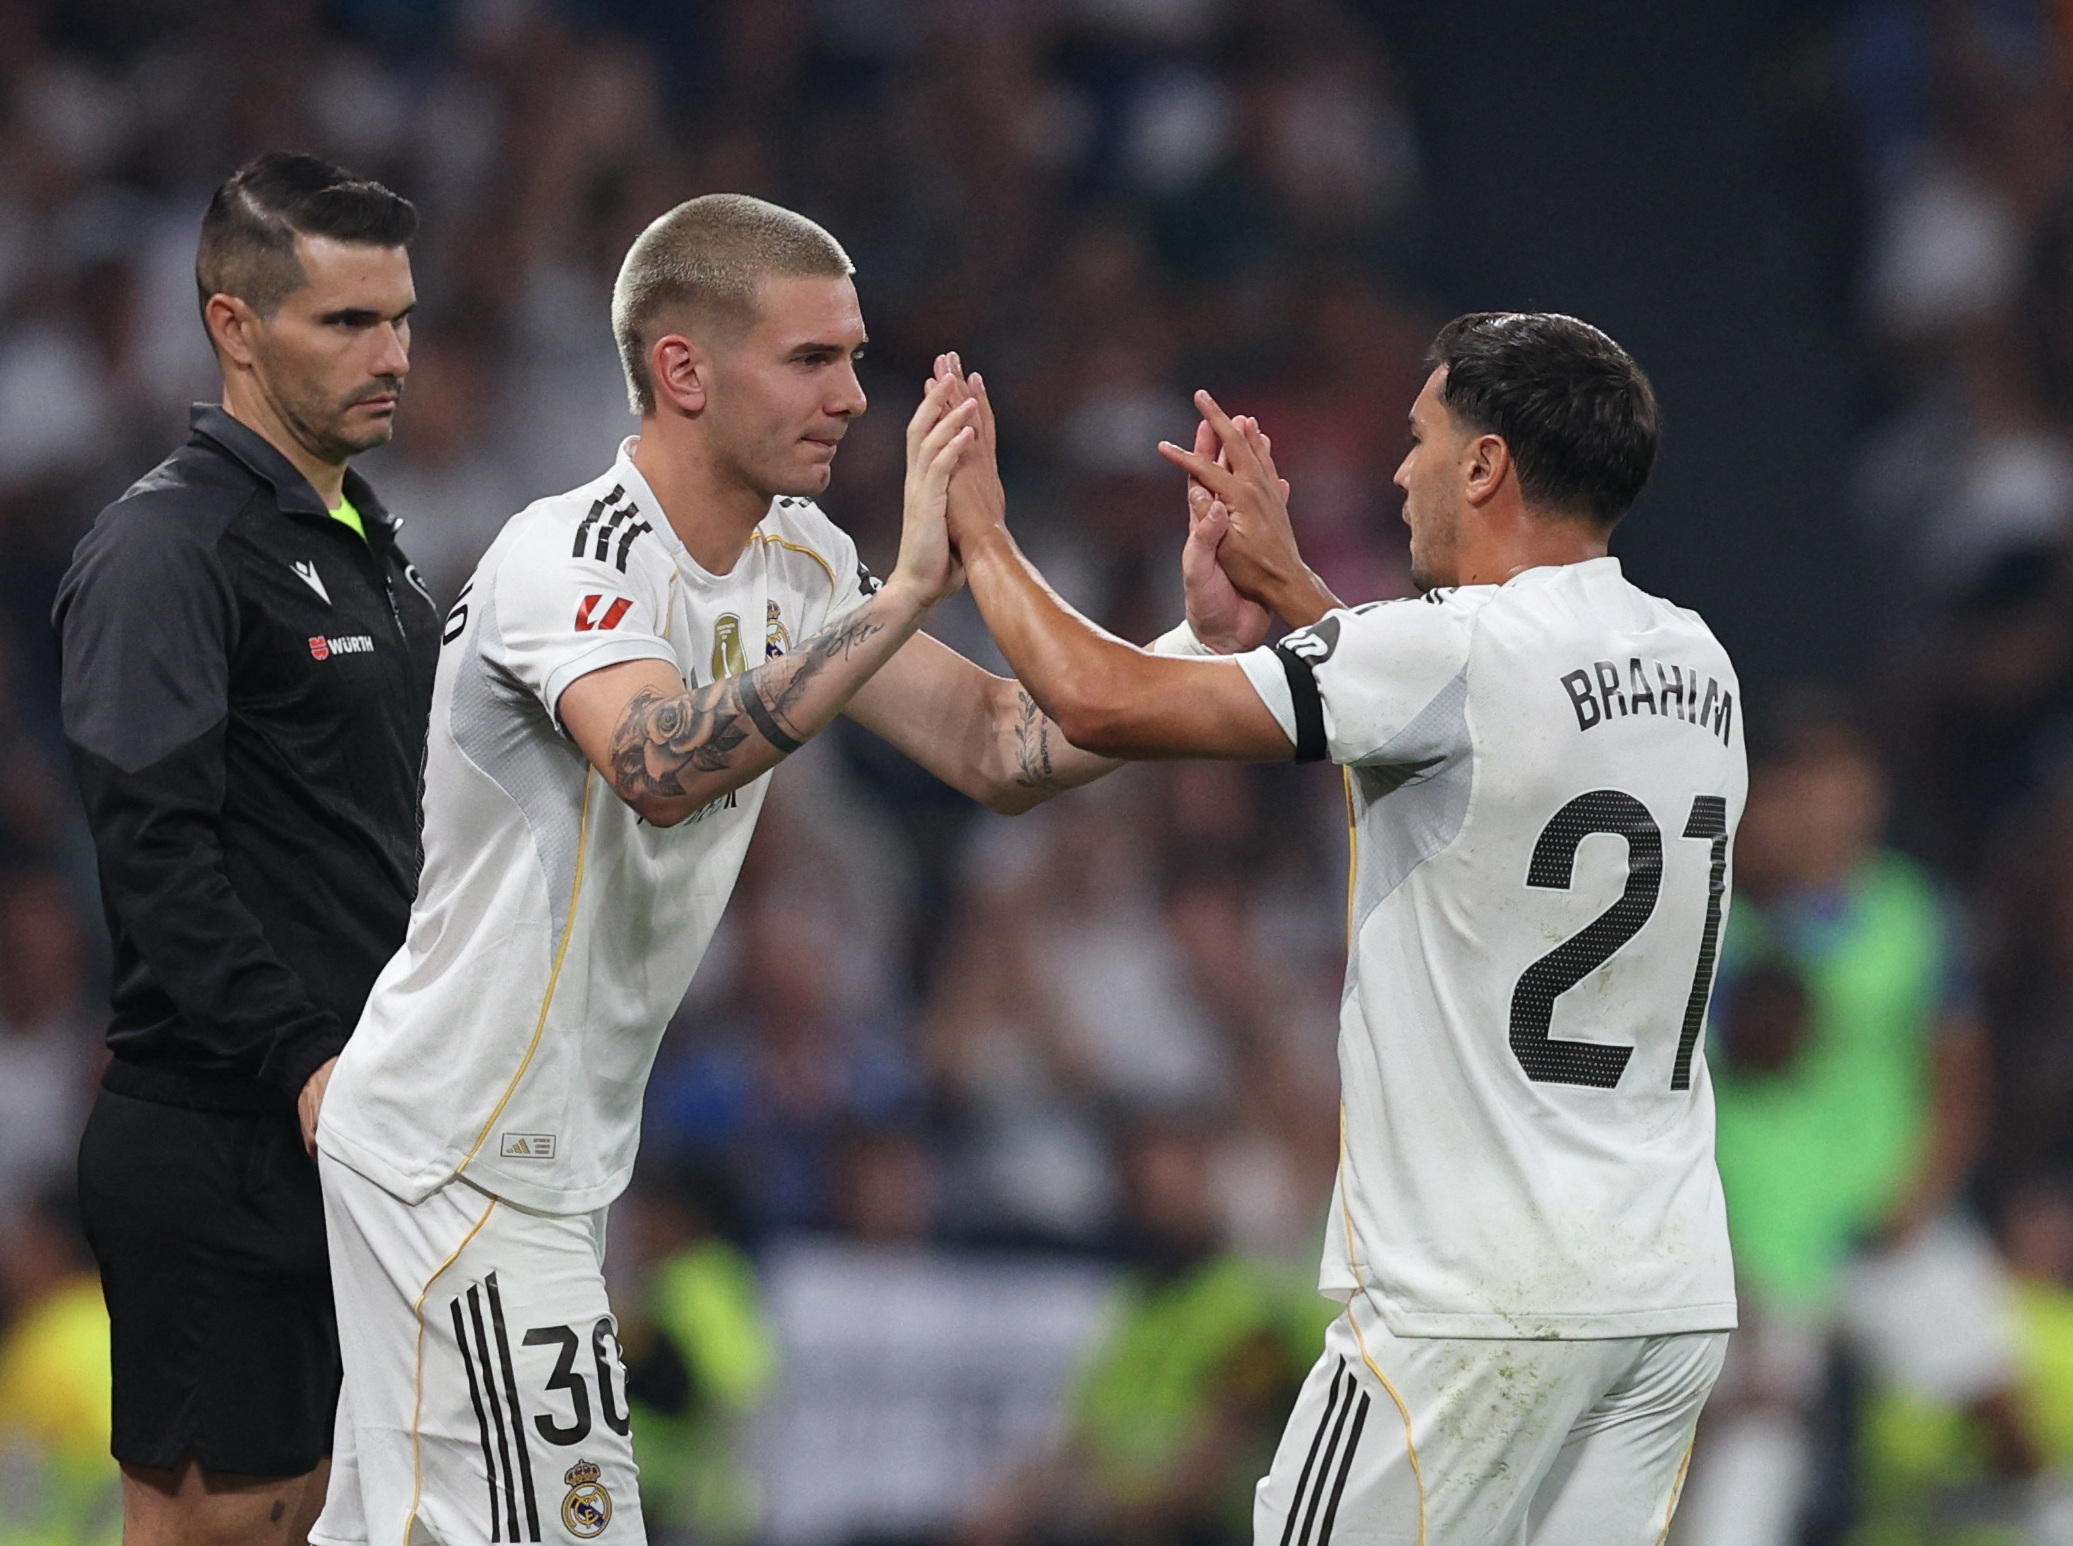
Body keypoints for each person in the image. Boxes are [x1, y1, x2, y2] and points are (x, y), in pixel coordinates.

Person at [304, 194, 1242, 1546]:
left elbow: (995, 744)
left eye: (857, 358)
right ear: (683, 370)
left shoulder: (799, 561)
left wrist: (1189, 647)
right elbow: (661, 759)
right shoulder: (569, 557)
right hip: (454, 1154)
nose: (854, 397)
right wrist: (905, 590)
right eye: (812, 359)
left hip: (538, 1163)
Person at [939, 311, 1744, 1542]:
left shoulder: (1445, 654)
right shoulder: (1698, 663)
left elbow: (1099, 699)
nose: (1399, 472)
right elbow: (1459, 738)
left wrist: (981, 531)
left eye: (1419, 439)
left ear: (1486, 468)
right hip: (1661, 1292)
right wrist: (1298, 595)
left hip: (1471, 1298)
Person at [51, 153, 436, 1546]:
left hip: (353, 1129)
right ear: (233, 326)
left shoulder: (366, 547)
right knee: (240, 1526)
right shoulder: (169, 547)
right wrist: (307, 1064)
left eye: (399, 316)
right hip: (228, 1131)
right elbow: (154, 856)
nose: (391, 353)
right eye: (345, 322)